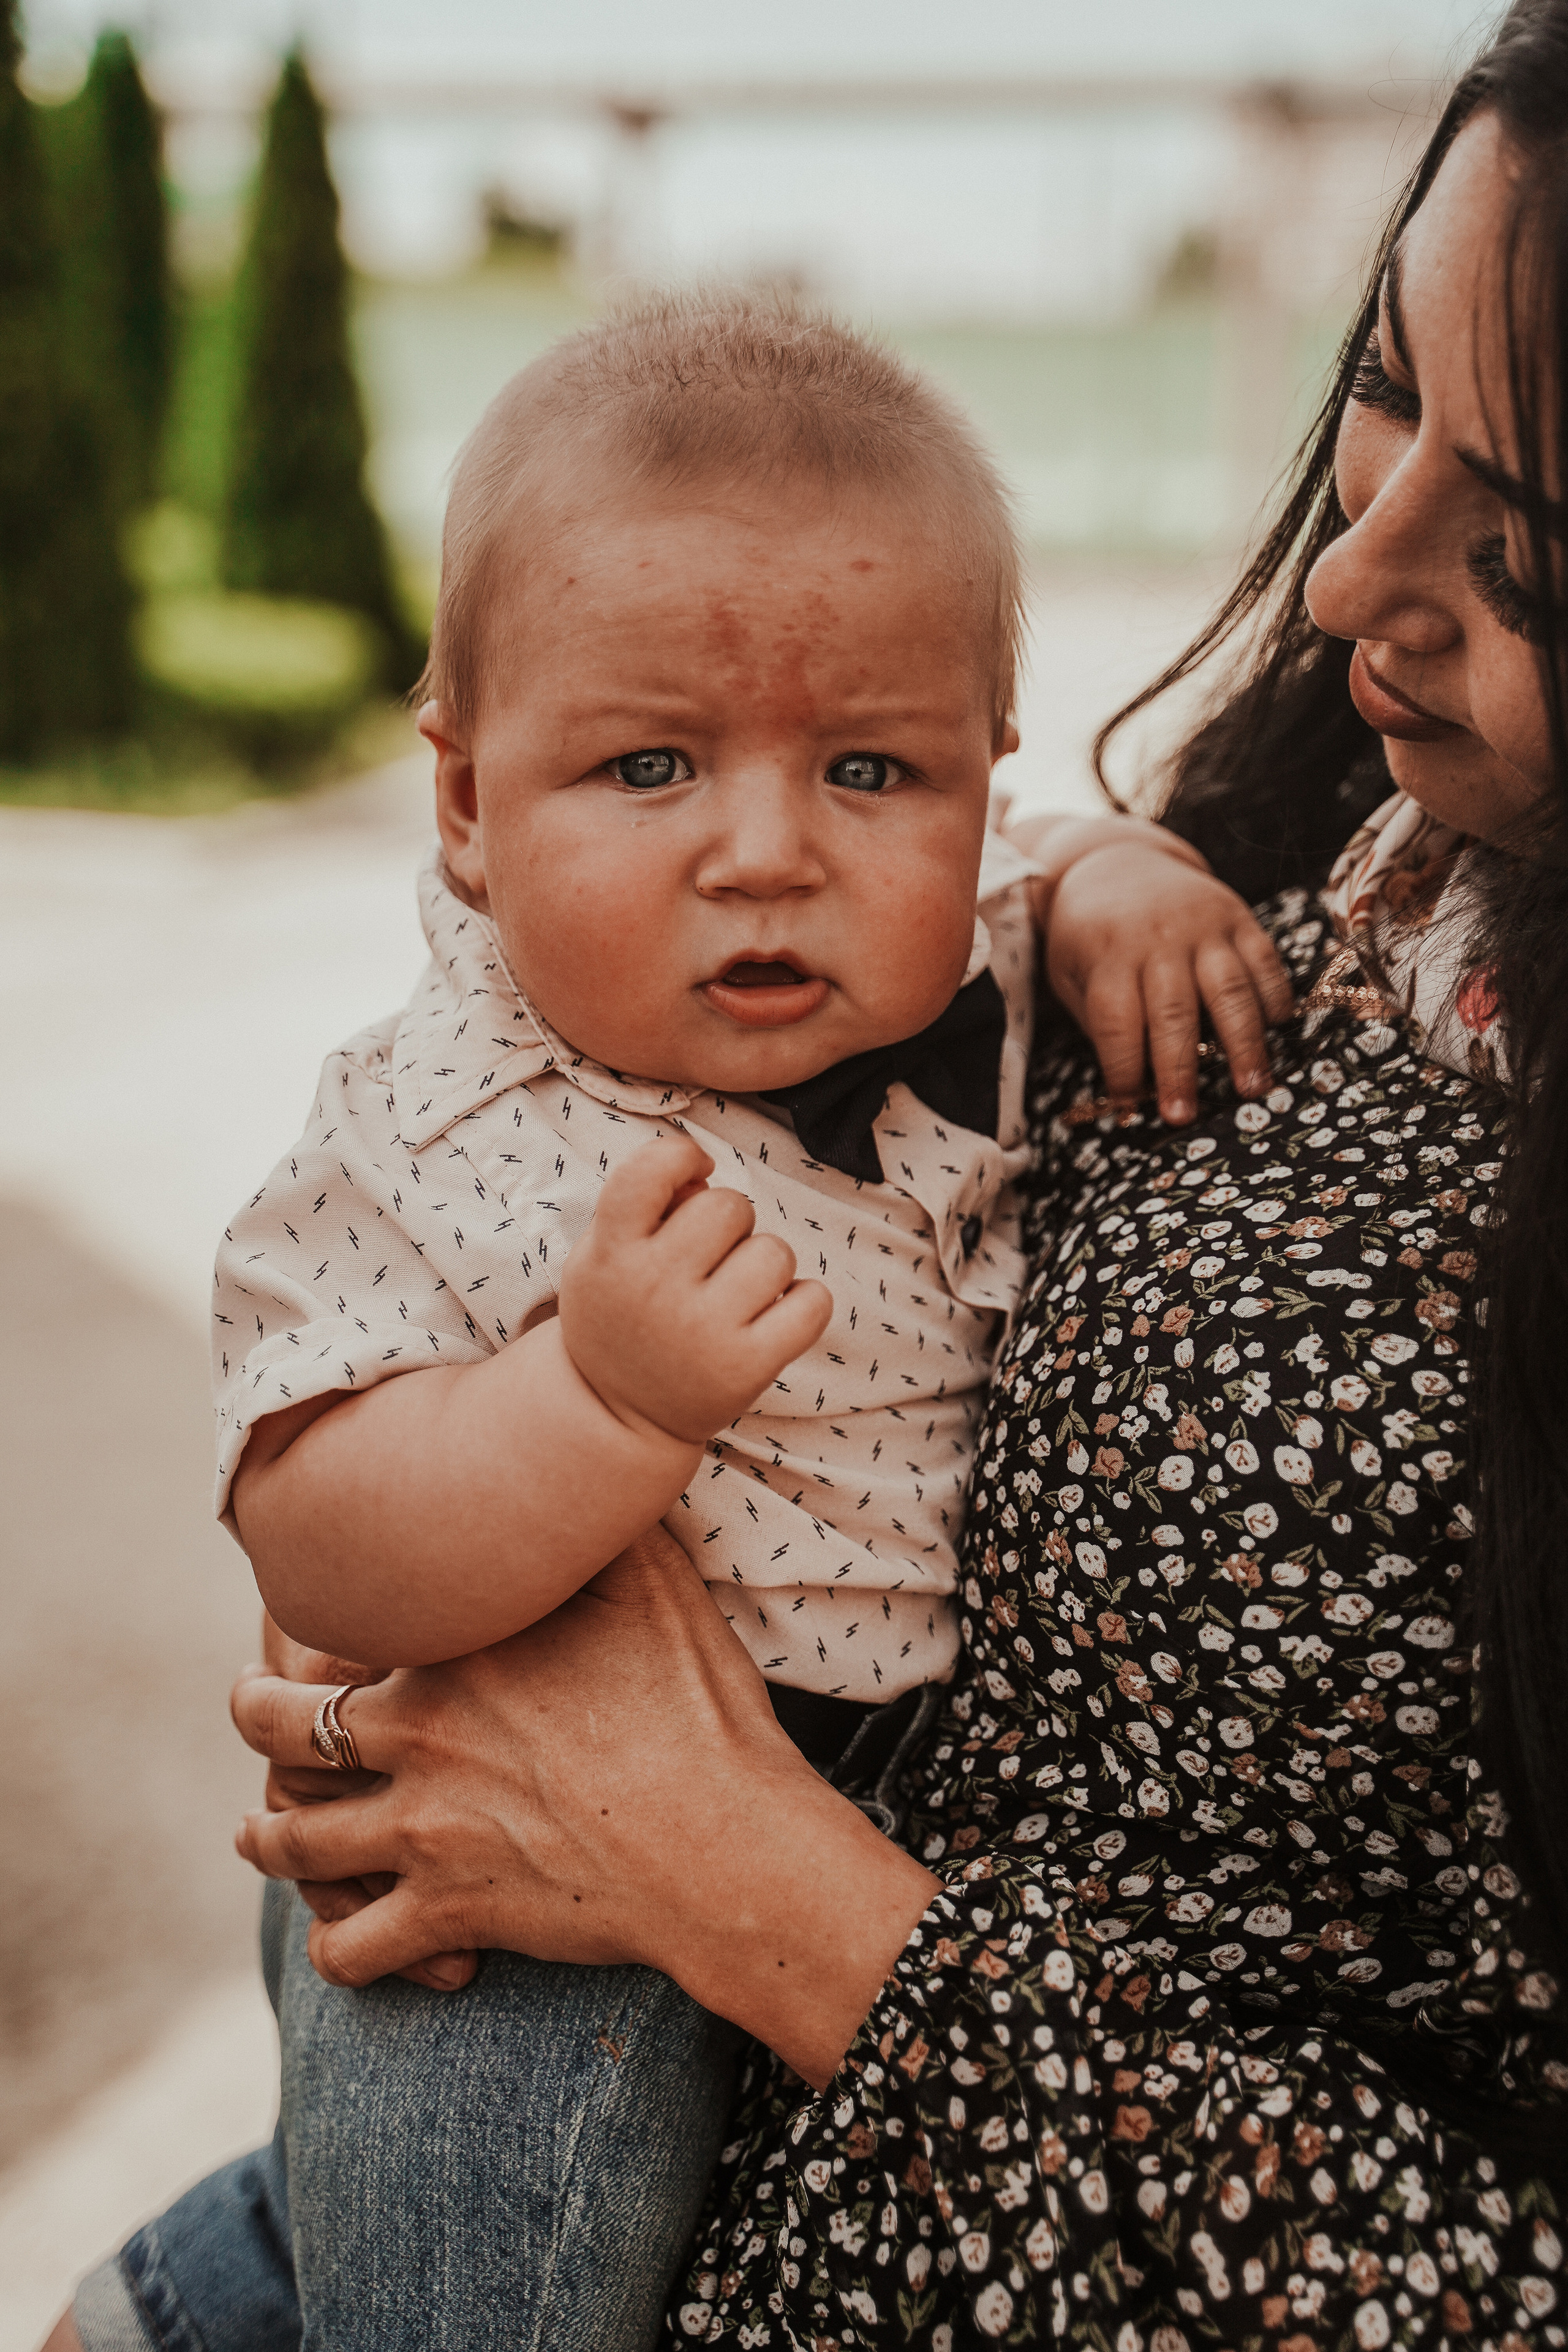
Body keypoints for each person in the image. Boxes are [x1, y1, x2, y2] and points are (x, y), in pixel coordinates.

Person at [51, 1, 1568, 2342]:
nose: (1359, 578)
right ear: (460, 806)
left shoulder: (962, 964)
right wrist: (587, 1410)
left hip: (796, 1945)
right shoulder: (464, 1116)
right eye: (1379, 387)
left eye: (870, 775)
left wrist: (752, 1879)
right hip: (516, 1962)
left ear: (963, 762)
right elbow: (306, 1531)